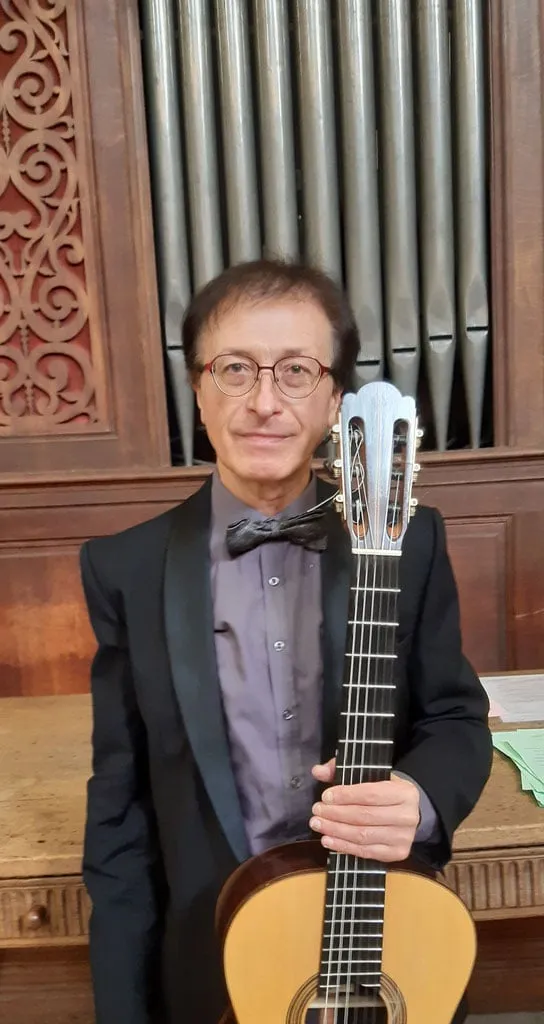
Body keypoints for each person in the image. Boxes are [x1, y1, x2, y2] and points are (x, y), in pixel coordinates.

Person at [80, 259, 492, 1024]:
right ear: (197, 388)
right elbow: (120, 815)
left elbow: (455, 718)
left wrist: (423, 799)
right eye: (235, 369)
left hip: (389, 950)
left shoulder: (409, 541)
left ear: (335, 399)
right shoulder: (126, 570)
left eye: (297, 371)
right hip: (218, 959)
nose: (264, 402)